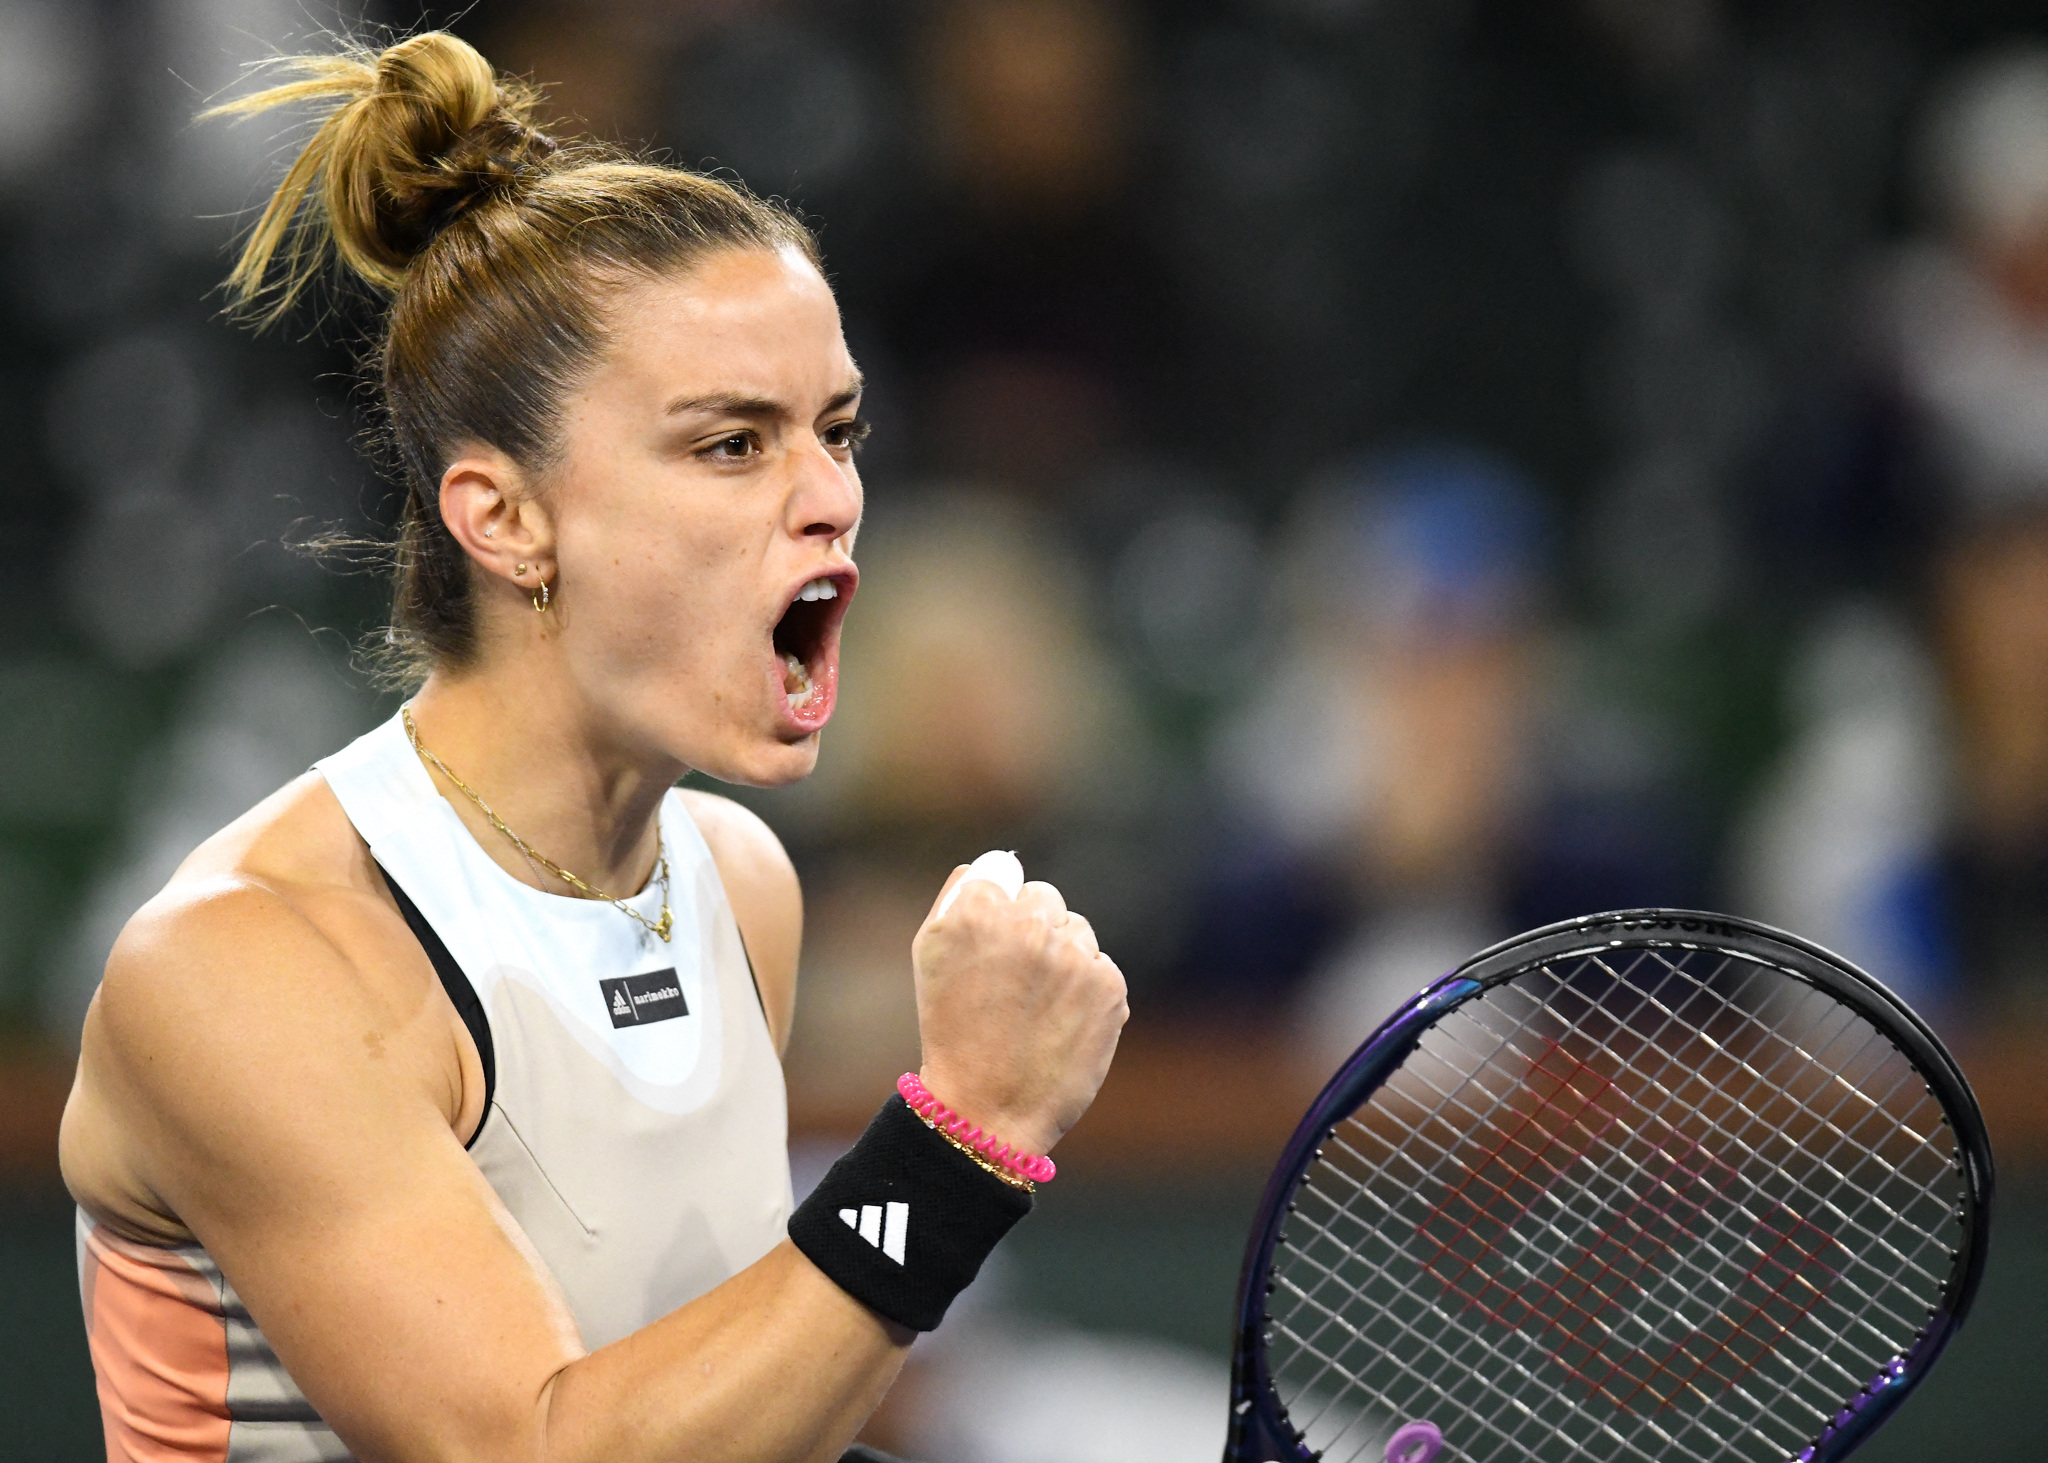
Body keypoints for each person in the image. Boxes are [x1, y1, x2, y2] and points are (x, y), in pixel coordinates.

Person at [56, 30, 1128, 1463]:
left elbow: (746, 1426)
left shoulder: (738, 882)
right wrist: (958, 1140)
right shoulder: (253, 964)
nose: (829, 498)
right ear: (505, 519)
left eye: (839, 430)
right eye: (732, 444)